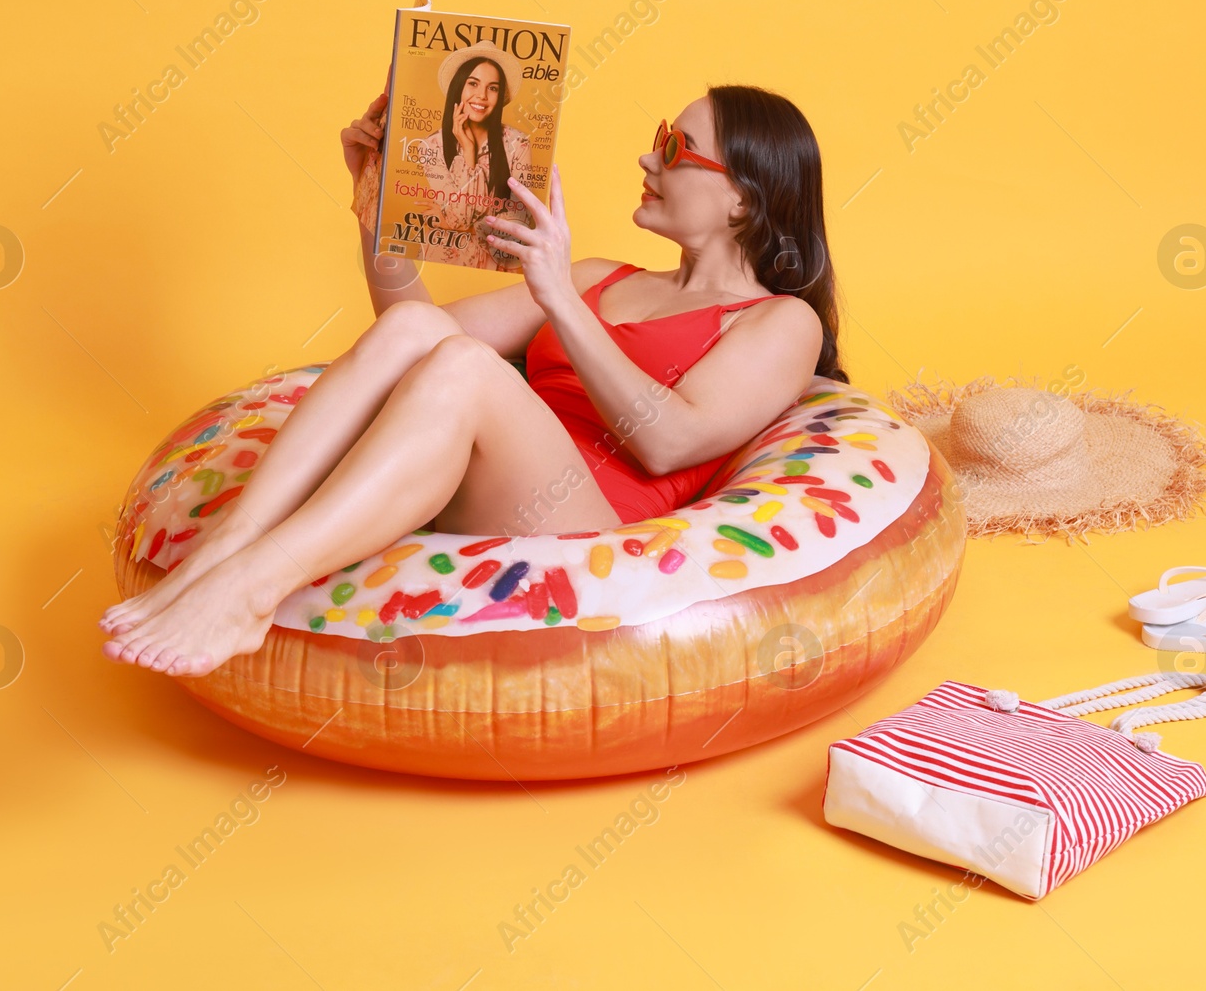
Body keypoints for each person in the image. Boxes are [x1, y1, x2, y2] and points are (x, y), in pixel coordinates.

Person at [97, 83, 846, 677]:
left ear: (742, 198)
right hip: (488, 486)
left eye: (677, 148)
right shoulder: (599, 276)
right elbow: (409, 332)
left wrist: (556, 295)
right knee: (425, 335)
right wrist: (376, 208)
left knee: (463, 365)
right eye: (658, 138)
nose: (649, 160)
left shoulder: (779, 322)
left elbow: (671, 440)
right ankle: (232, 542)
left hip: (586, 526)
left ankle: (254, 589)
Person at [356, 41, 533, 270]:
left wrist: (453, 221)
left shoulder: (517, 143)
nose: (481, 96)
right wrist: (468, 152)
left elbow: (517, 224)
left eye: (493, 88)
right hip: (439, 262)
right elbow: (460, 219)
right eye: (473, 83)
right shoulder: (432, 146)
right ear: (458, 87)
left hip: (494, 267)